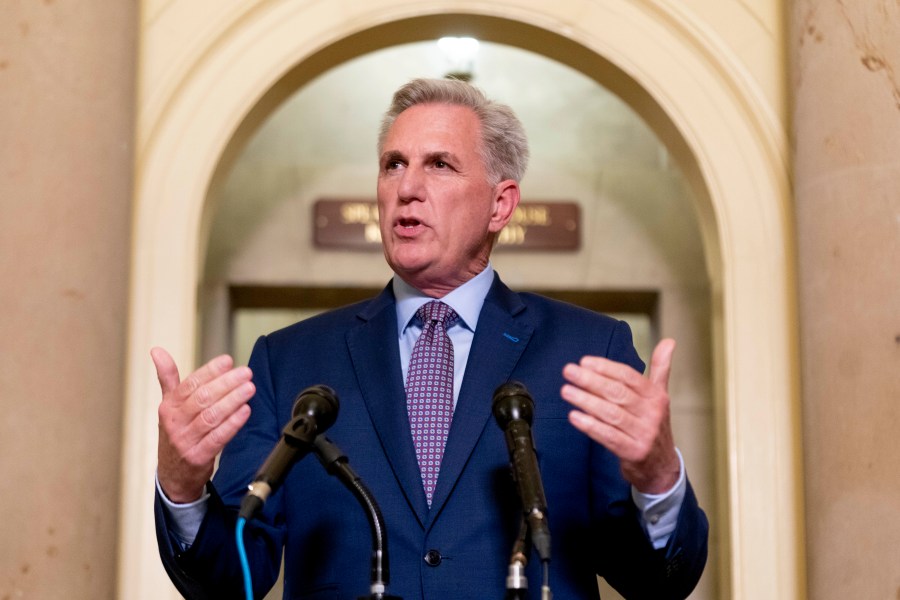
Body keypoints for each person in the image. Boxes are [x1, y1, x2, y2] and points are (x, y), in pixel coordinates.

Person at [153, 77, 708, 599]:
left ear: (501, 204)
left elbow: (656, 582)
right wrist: (183, 490)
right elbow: (231, 580)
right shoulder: (289, 361)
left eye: (439, 164)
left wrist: (658, 480)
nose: (408, 188)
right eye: (393, 164)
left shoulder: (589, 350)